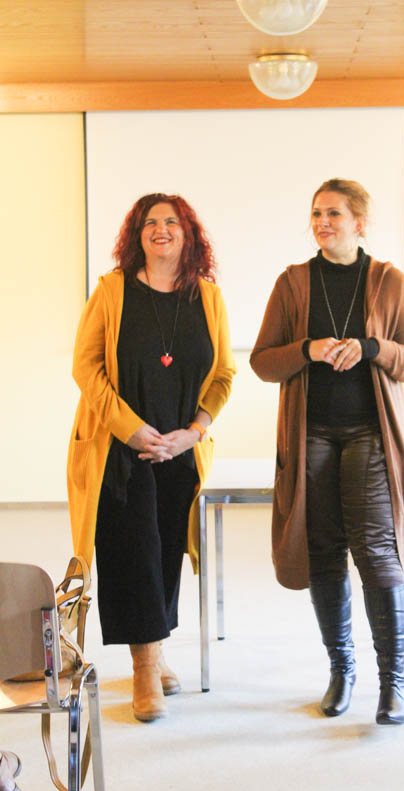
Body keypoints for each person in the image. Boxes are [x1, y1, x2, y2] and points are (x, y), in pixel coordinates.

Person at [250, 178, 404, 725]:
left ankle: (392, 683)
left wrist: (373, 348)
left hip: (370, 434)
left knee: (376, 551)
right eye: (316, 214)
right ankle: (341, 669)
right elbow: (262, 361)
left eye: (333, 213)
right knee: (324, 551)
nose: (322, 223)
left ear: (359, 222)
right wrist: (307, 349)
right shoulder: (292, 282)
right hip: (312, 435)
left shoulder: (388, 281)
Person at [67, 193, 235, 722]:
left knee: (165, 552)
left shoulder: (207, 296)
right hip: (121, 450)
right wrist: (132, 429)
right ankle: (144, 669)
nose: (161, 229)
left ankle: (156, 651)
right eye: (150, 223)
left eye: (171, 222)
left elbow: (223, 375)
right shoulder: (111, 290)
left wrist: (193, 432)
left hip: (180, 451)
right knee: (133, 550)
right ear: (136, 234)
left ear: (189, 234)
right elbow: (86, 368)